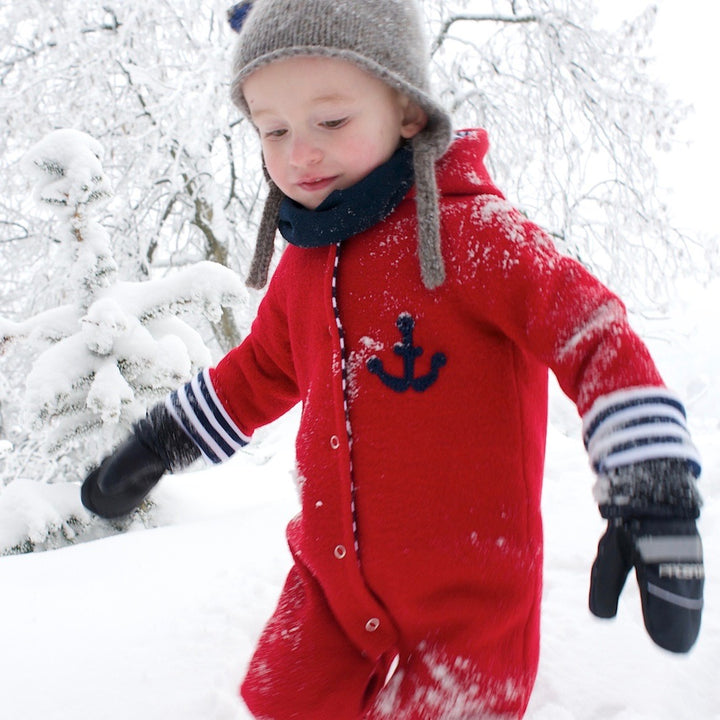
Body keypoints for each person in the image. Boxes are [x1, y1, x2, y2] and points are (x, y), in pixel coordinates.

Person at [81, 1, 705, 718]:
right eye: (273, 130)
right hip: (330, 591)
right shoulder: (304, 268)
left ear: (407, 110)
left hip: (470, 605)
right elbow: (258, 371)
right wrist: (160, 441)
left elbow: (594, 336)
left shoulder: (481, 238)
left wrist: (652, 487)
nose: (298, 153)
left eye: (331, 122)